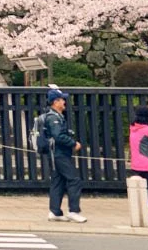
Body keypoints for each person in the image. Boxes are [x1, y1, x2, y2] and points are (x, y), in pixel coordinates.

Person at [41, 88, 87, 223]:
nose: (64, 102)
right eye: (62, 99)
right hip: (59, 154)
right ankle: (74, 211)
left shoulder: (54, 116)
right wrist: (73, 143)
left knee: (58, 181)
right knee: (74, 180)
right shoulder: (53, 118)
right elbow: (58, 135)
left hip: (55, 154)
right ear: (56, 102)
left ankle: (55, 211)